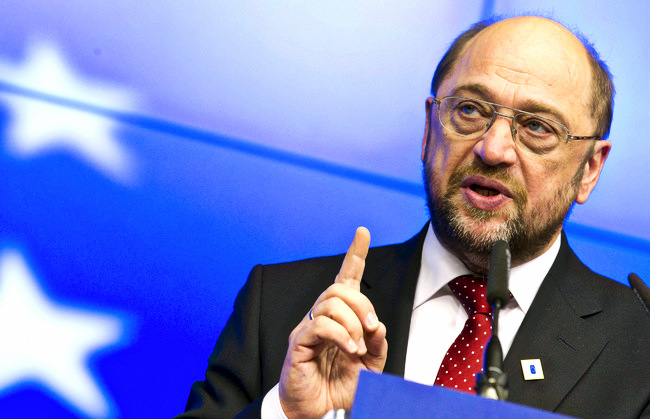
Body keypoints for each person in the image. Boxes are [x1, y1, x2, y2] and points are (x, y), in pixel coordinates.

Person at [177, 15, 650, 418]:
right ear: (429, 129)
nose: (493, 149)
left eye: (537, 127)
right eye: (470, 109)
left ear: (590, 169)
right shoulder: (283, 307)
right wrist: (288, 412)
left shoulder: (640, 350)